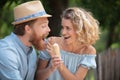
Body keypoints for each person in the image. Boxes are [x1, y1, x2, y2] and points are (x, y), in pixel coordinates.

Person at [35, 7, 100, 80]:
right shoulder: (51, 43)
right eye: (62, 27)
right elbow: (37, 77)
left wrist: (58, 62)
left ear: (80, 30)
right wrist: (51, 68)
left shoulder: (88, 51)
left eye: (68, 28)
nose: (63, 32)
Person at [0, 0, 51, 80]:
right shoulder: (6, 52)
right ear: (28, 29)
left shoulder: (32, 52)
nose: (49, 30)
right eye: (43, 26)